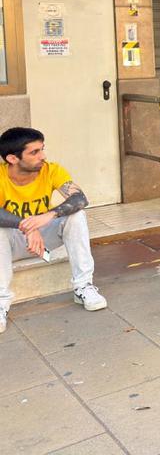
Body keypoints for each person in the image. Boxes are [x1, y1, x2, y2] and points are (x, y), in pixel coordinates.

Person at [0, 127, 106, 333]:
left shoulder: (51, 170)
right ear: (12, 158)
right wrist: (28, 227)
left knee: (76, 215)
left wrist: (48, 216)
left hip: (44, 239)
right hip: (11, 244)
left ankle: (83, 286)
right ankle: (1, 301)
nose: (43, 156)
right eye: (34, 152)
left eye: (42, 149)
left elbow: (80, 198)